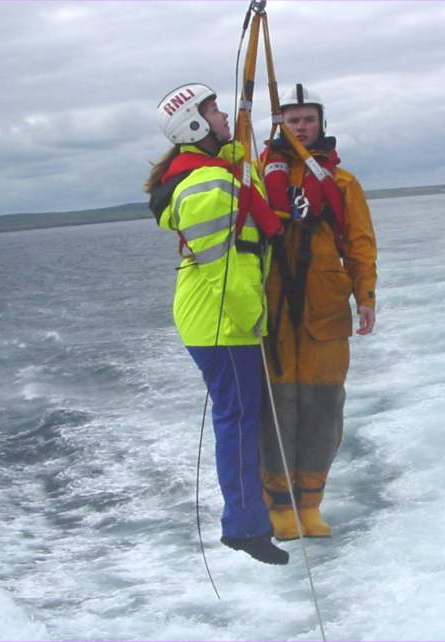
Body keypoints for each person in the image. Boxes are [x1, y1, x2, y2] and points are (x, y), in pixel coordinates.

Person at [144, 82, 288, 565]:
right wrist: (254, 325)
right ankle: (245, 527)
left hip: (215, 320)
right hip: (224, 322)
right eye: (214, 111)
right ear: (195, 124)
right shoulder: (208, 185)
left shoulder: (214, 170)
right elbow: (225, 270)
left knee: (239, 419)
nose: (224, 115)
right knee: (239, 423)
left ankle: (249, 518)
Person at [258, 83, 377, 540]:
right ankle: (278, 503)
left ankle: (311, 503)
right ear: (279, 125)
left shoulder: (343, 184)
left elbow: (360, 244)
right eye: (292, 120)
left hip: (326, 311)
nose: (301, 127)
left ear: (321, 124)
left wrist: (365, 296)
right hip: (270, 312)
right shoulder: (256, 173)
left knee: (323, 409)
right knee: (277, 408)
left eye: (308, 119)